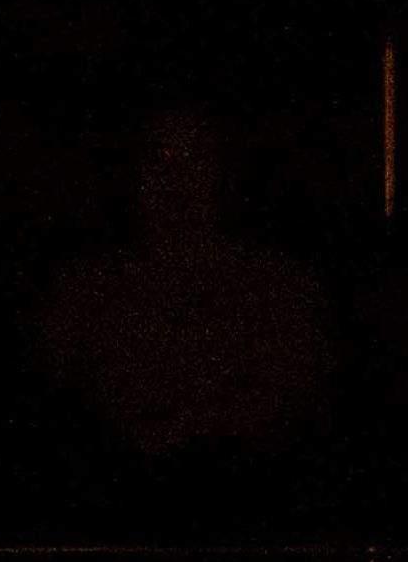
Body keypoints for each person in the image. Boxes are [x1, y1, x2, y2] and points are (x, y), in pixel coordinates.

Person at [39, 105, 337, 484]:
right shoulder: (85, 293)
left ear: (221, 172)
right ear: (134, 172)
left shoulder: (279, 291)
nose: (175, 177)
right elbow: (63, 409)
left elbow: (293, 406)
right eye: (161, 157)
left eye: (194, 157)